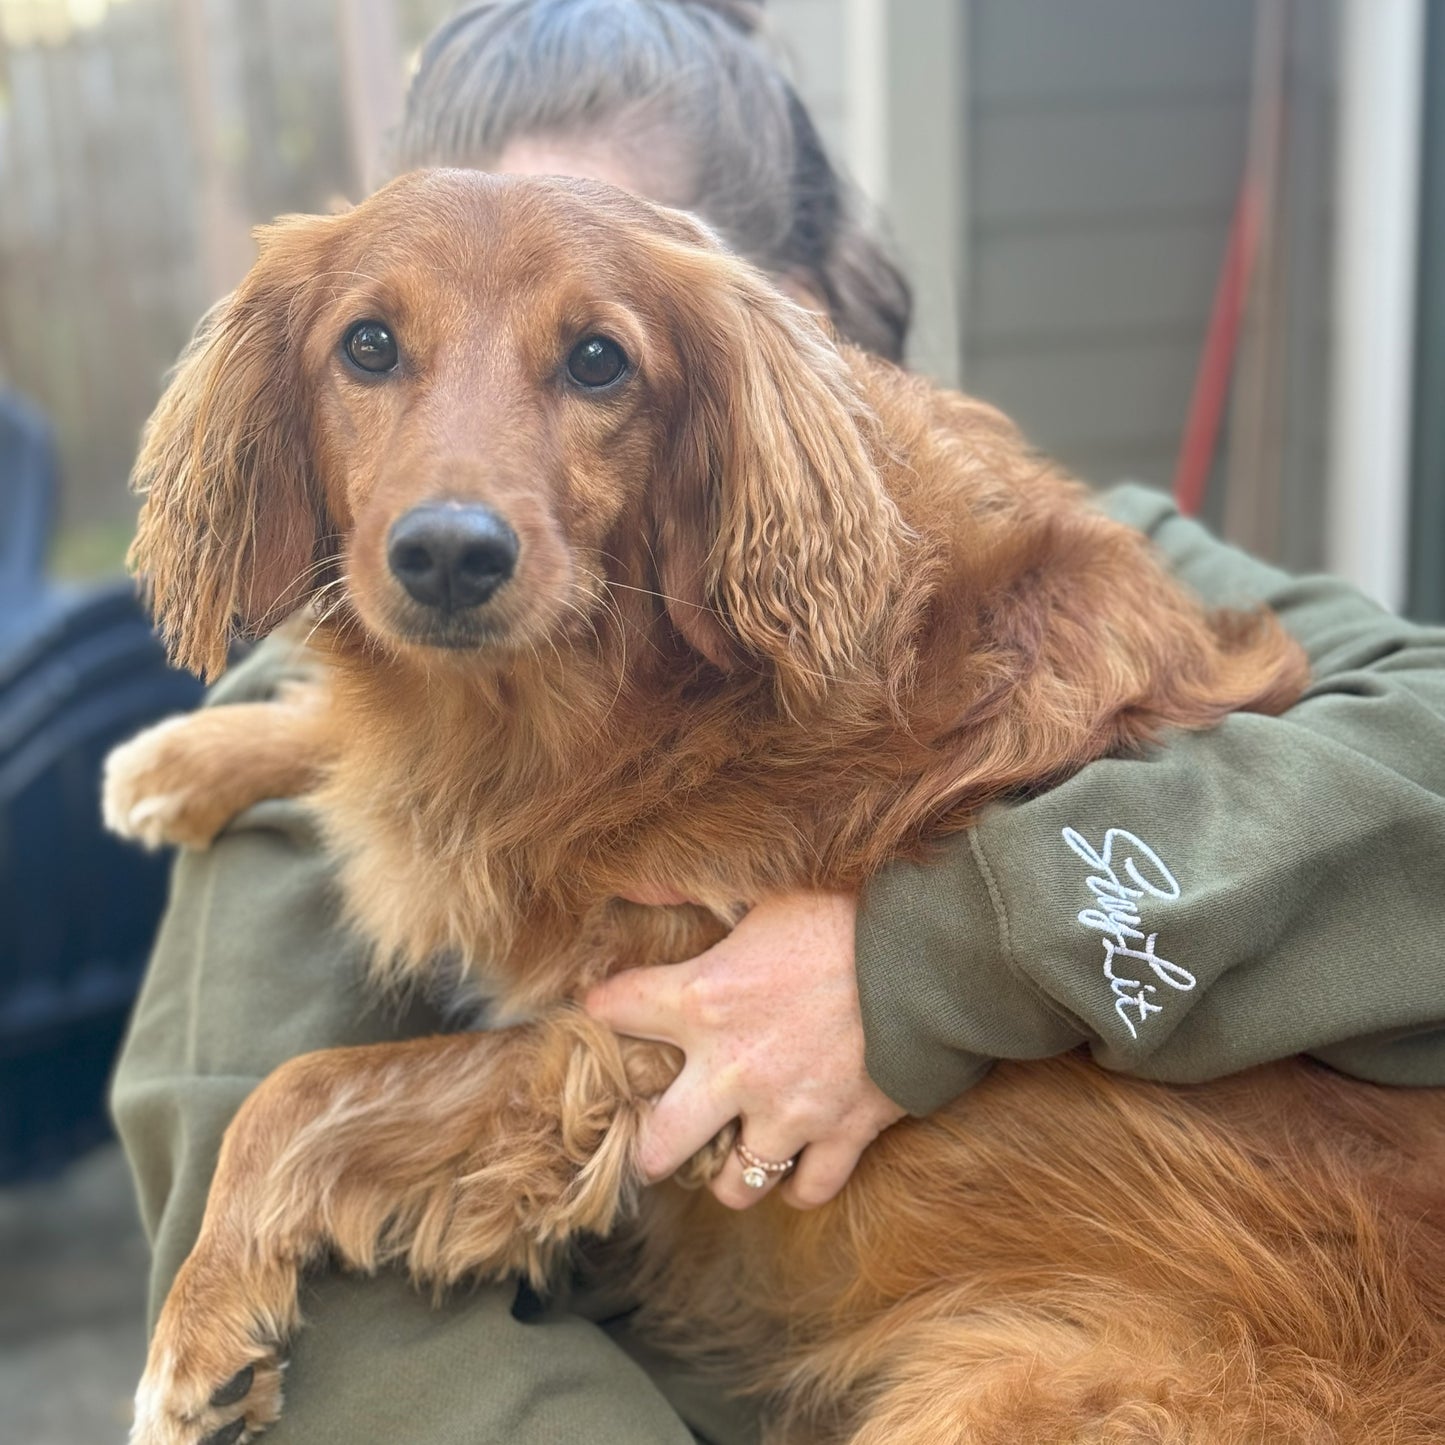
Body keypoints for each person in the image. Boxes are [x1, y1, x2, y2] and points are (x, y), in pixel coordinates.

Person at [111, 3, 1445, 1442]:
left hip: (1184, 1357)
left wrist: (926, 960)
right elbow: (358, 1361)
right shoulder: (329, 685)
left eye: (595, 355)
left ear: (789, 314)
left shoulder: (1037, 570)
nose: (463, 486)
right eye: (384, 345)